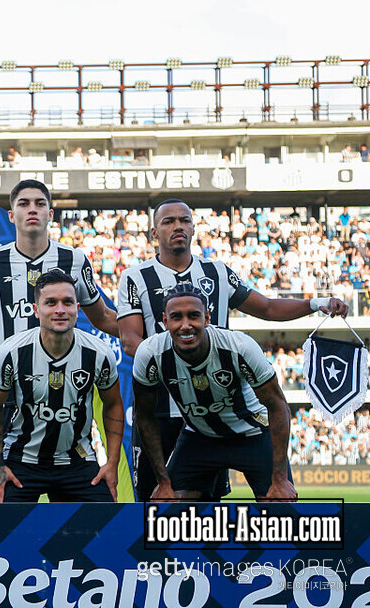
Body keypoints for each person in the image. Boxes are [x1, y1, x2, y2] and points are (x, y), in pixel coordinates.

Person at [117, 198, 348, 501]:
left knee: (209, 502)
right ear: (153, 233)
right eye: (168, 221)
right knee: (158, 504)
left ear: (193, 227)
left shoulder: (217, 272)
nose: (178, 227)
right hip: (164, 405)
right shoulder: (135, 277)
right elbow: (131, 341)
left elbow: (266, 306)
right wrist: (178, 367)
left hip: (219, 402)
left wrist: (316, 303)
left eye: (184, 220)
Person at [132, 284, 296, 501]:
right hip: (200, 436)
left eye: (193, 316)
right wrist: (163, 482)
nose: (185, 325)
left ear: (207, 318)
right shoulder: (150, 353)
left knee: (279, 505)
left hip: (253, 434)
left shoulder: (239, 347)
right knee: (167, 504)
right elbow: (144, 415)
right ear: (165, 321)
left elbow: (277, 405)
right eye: (176, 317)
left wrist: (280, 478)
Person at [0, 270, 124, 503]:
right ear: (36, 310)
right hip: (21, 460)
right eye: (51, 303)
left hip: (77, 460)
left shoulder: (99, 353)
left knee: (106, 529)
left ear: (77, 309)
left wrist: (111, 464)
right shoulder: (11, 352)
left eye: (67, 302)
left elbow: (113, 406)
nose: (60, 309)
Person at [0, 179, 118, 356]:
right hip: (10, 379)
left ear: (50, 214)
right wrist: (0, 345)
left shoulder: (74, 259)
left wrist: (150, 335)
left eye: (40, 204)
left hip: (63, 375)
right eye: (24, 204)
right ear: (11, 215)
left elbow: (102, 318)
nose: (32, 209)